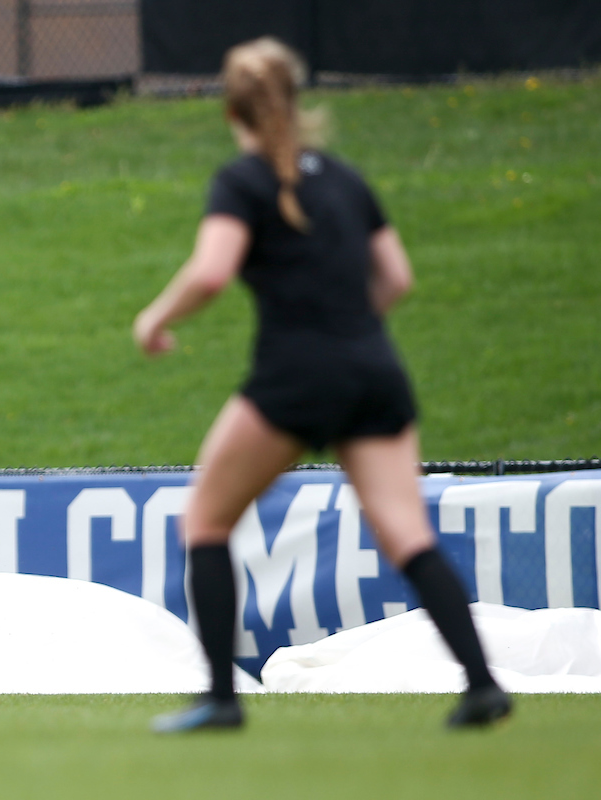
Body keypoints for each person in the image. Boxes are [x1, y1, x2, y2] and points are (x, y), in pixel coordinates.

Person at [133, 38, 511, 731]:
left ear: (232, 110)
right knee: (407, 533)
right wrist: (348, 334)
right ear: (296, 100)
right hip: (375, 369)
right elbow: (396, 277)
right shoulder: (343, 178)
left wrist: (155, 317)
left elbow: (213, 270)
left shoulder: (243, 180)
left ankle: (221, 699)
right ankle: (483, 684)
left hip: (294, 375)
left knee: (207, 522)